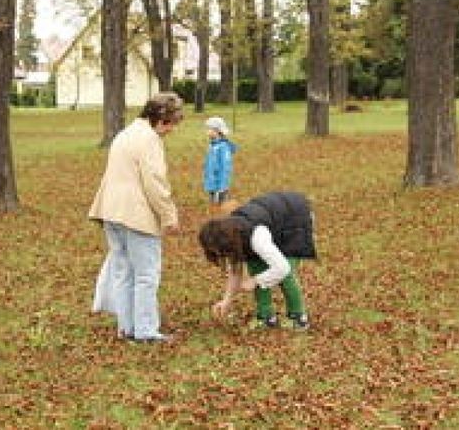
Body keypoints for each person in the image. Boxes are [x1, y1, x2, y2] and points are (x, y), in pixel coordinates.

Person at [89, 92, 184, 343]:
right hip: (136, 214)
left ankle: (126, 327)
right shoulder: (149, 140)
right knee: (146, 274)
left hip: (111, 210)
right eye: (172, 124)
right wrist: (169, 216)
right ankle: (146, 331)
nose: (172, 130)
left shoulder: (125, 134)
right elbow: (154, 182)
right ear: (162, 119)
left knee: (123, 271)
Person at [197, 191, 316, 330]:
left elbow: (283, 268)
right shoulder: (233, 237)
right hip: (271, 219)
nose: (217, 254)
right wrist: (226, 300)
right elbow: (235, 272)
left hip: (294, 220)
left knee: (285, 274)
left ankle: (298, 318)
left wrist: (255, 281)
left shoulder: (256, 237)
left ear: (224, 242)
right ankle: (266, 317)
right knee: (256, 267)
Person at [202, 116, 237, 208]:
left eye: (209, 129)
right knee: (213, 205)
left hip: (220, 184)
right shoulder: (212, 145)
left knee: (221, 206)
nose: (207, 132)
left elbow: (225, 167)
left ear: (218, 131)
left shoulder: (223, 147)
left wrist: (222, 186)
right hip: (212, 183)